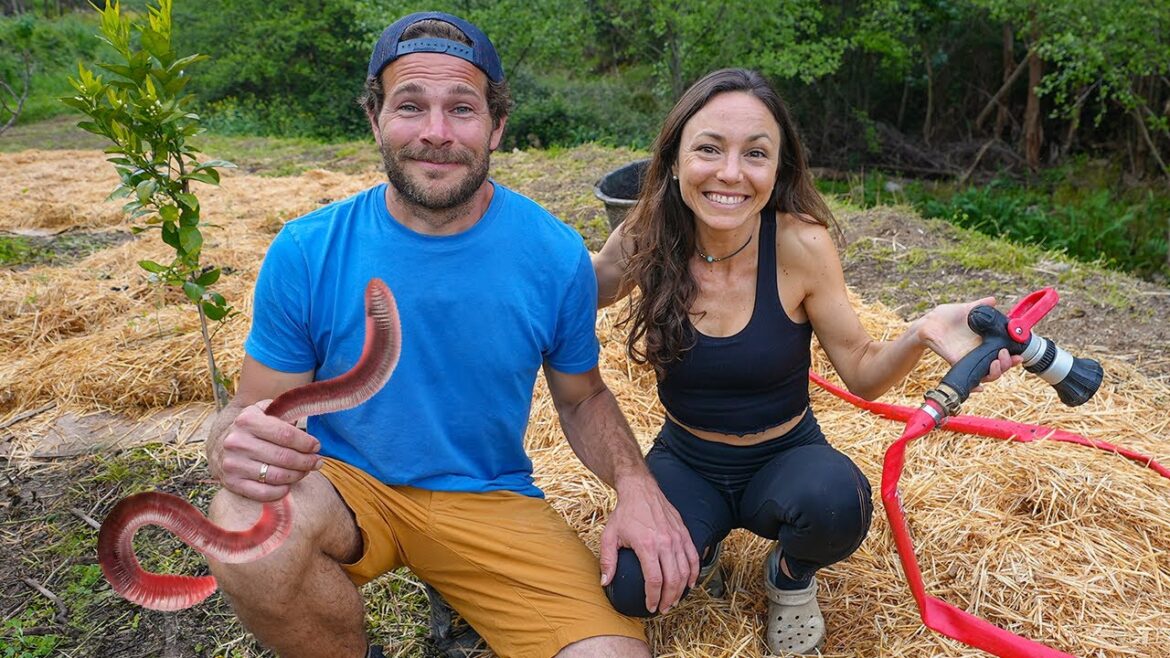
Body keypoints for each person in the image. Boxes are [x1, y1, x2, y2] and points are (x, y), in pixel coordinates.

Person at [202, 12, 699, 658]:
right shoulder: (308, 250)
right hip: (345, 485)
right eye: (411, 105)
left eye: (461, 109)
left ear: (496, 126)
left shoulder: (552, 254)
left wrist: (637, 486)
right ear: (375, 119)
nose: (436, 133)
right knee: (244, 526)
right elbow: (252, 410)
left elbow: (582, 398)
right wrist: (227, 442)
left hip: (486, 496)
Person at [592, 68, 1018, 655]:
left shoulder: (800, 244)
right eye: (709, 149)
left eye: (756, 154)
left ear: (778, 169)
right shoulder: (647, 235)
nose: (730, 173)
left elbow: (864, 372)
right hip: (685, 459)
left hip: (784, 455)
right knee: (632, 590)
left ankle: (789, 577)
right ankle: (702, 543)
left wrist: (920, 332)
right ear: (672, 159)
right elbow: (580, 290)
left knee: (838, 504)